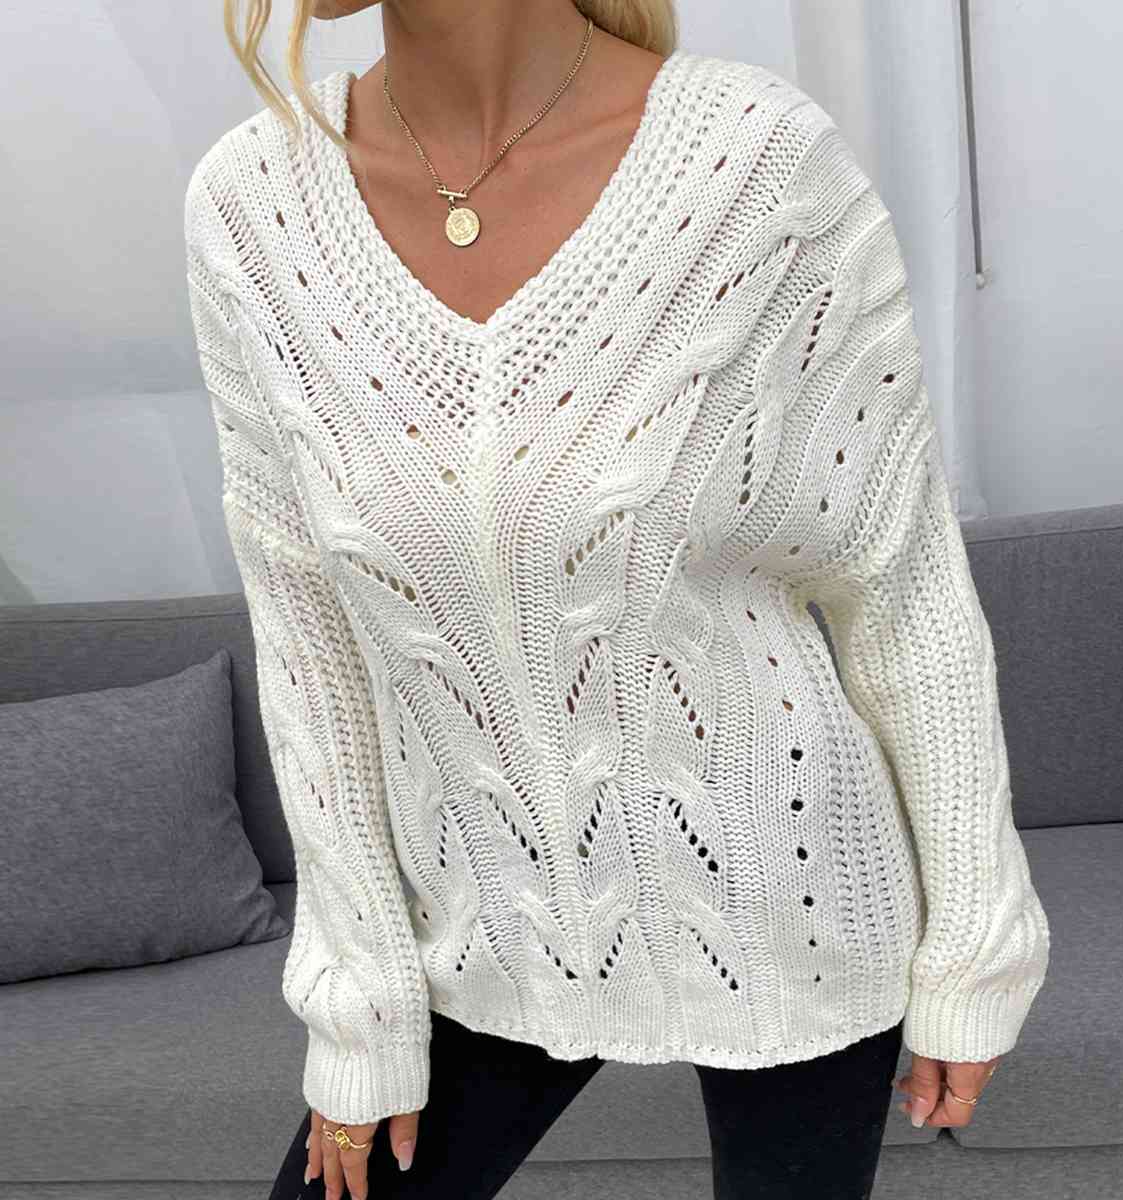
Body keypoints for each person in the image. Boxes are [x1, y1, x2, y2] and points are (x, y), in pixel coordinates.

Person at [184, 2, 1052, 1197]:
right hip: (474, 927)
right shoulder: (252, 204)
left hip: (792, 894)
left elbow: (898, 586)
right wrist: (358, 1001)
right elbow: (309, 642)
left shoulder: (754, 162)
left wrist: (977, 943)